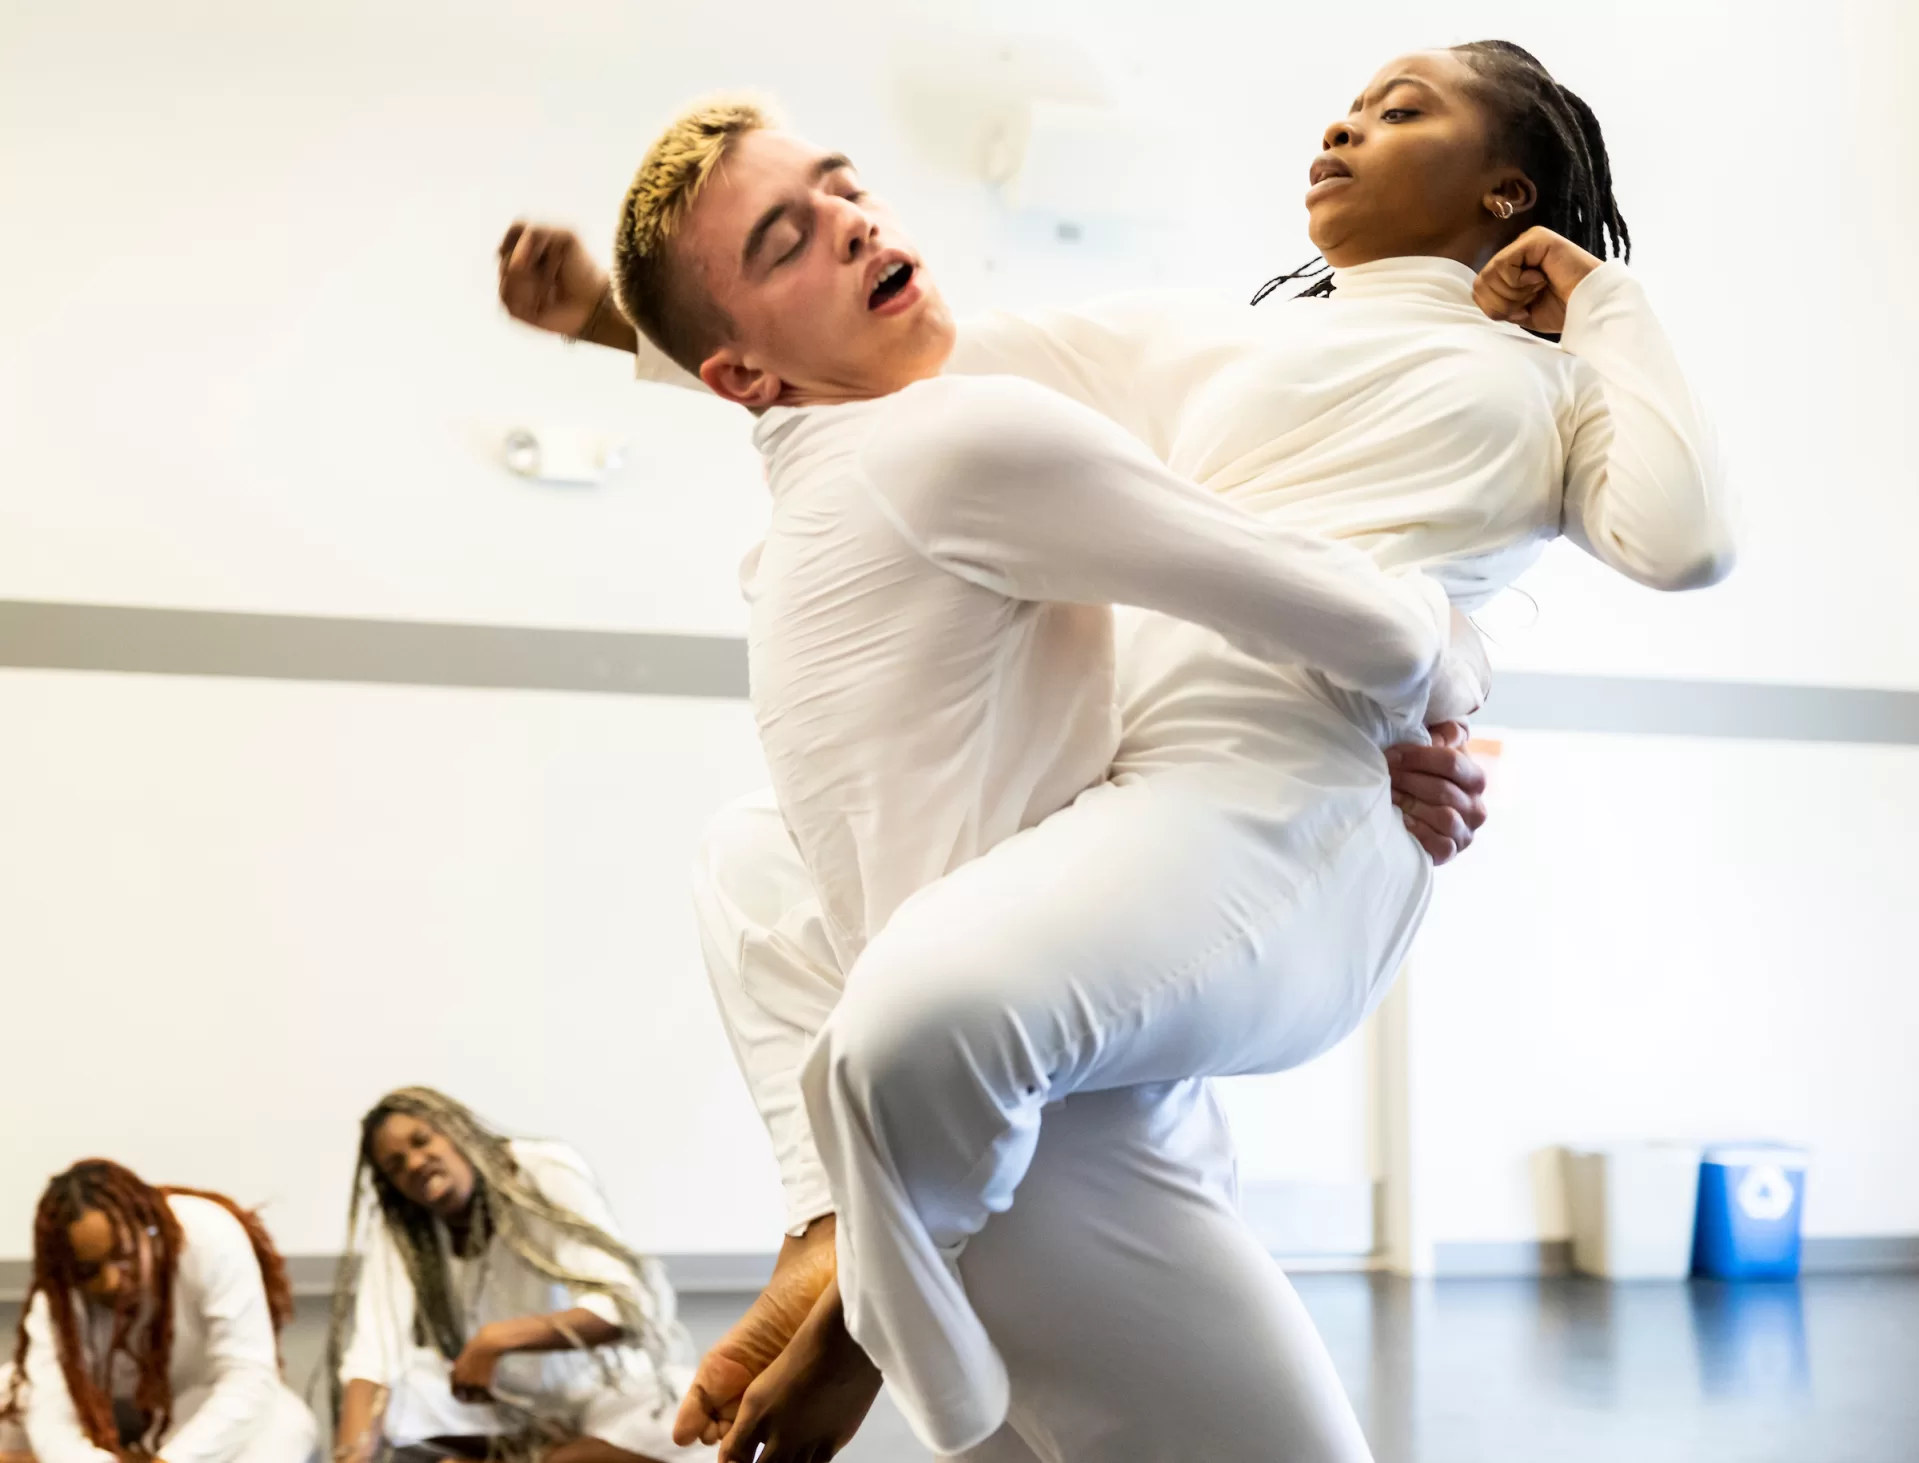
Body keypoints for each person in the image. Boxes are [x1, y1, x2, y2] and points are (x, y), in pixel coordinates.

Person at [500, 39, 1729, 1460]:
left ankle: (867, 1301)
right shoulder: (1210, 344)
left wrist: (1597, 296)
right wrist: (602, 313)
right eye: (1346, 98)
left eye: (1399, 111)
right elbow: (863, 359)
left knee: (920, 1017)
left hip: (1298, 804)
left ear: (1502, 186)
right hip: (1118, 807)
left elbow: (1681, 535)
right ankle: (840, 1214)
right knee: (751, 856)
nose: (1341, 119)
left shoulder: (1556, 385)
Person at [326, 1088, 698, 1463]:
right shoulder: (403, 1227)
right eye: (396, 1166)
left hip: (605, 1392)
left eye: (422, 1141)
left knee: (698, 1424)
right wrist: (349, 1458)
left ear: (458, 1131)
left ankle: (548, 1457)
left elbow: (627, 1305)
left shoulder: (542, 1170)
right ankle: (550, 1455)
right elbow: (373, 1360)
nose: (415, 1163)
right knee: (401, 1395)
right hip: (507, 1412)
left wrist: (496, 1340)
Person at [0, 1160, 317, 1463]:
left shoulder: (210, 1236)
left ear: (148, 1230)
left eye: (121, 1255)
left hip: (197, 1404)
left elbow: (249, 1376)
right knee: (11, 1390)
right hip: (102, 1412)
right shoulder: (58, 1292)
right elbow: (51, 1415)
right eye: (90, 1270)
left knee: (286, 1425)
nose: (111, 1281)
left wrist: (172, 1460)